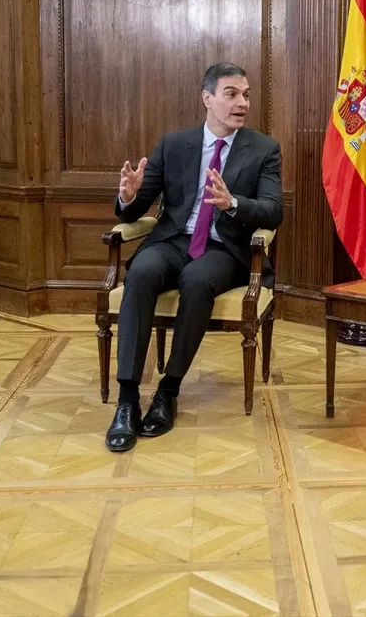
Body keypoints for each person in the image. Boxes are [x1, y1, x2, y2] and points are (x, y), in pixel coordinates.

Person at [105, 63, 283, 453]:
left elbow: (273, 211)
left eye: (246, 95)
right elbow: (133, 213)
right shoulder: (175, 145)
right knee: (144, 270)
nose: (242, 103)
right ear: (207, 99)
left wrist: (232, 203)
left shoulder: (263, 149)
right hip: (174, 240)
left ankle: (168, 390)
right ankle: (127, 399)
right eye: (232, 94)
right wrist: (130, 195)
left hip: (226, 250)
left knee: (197, 280)